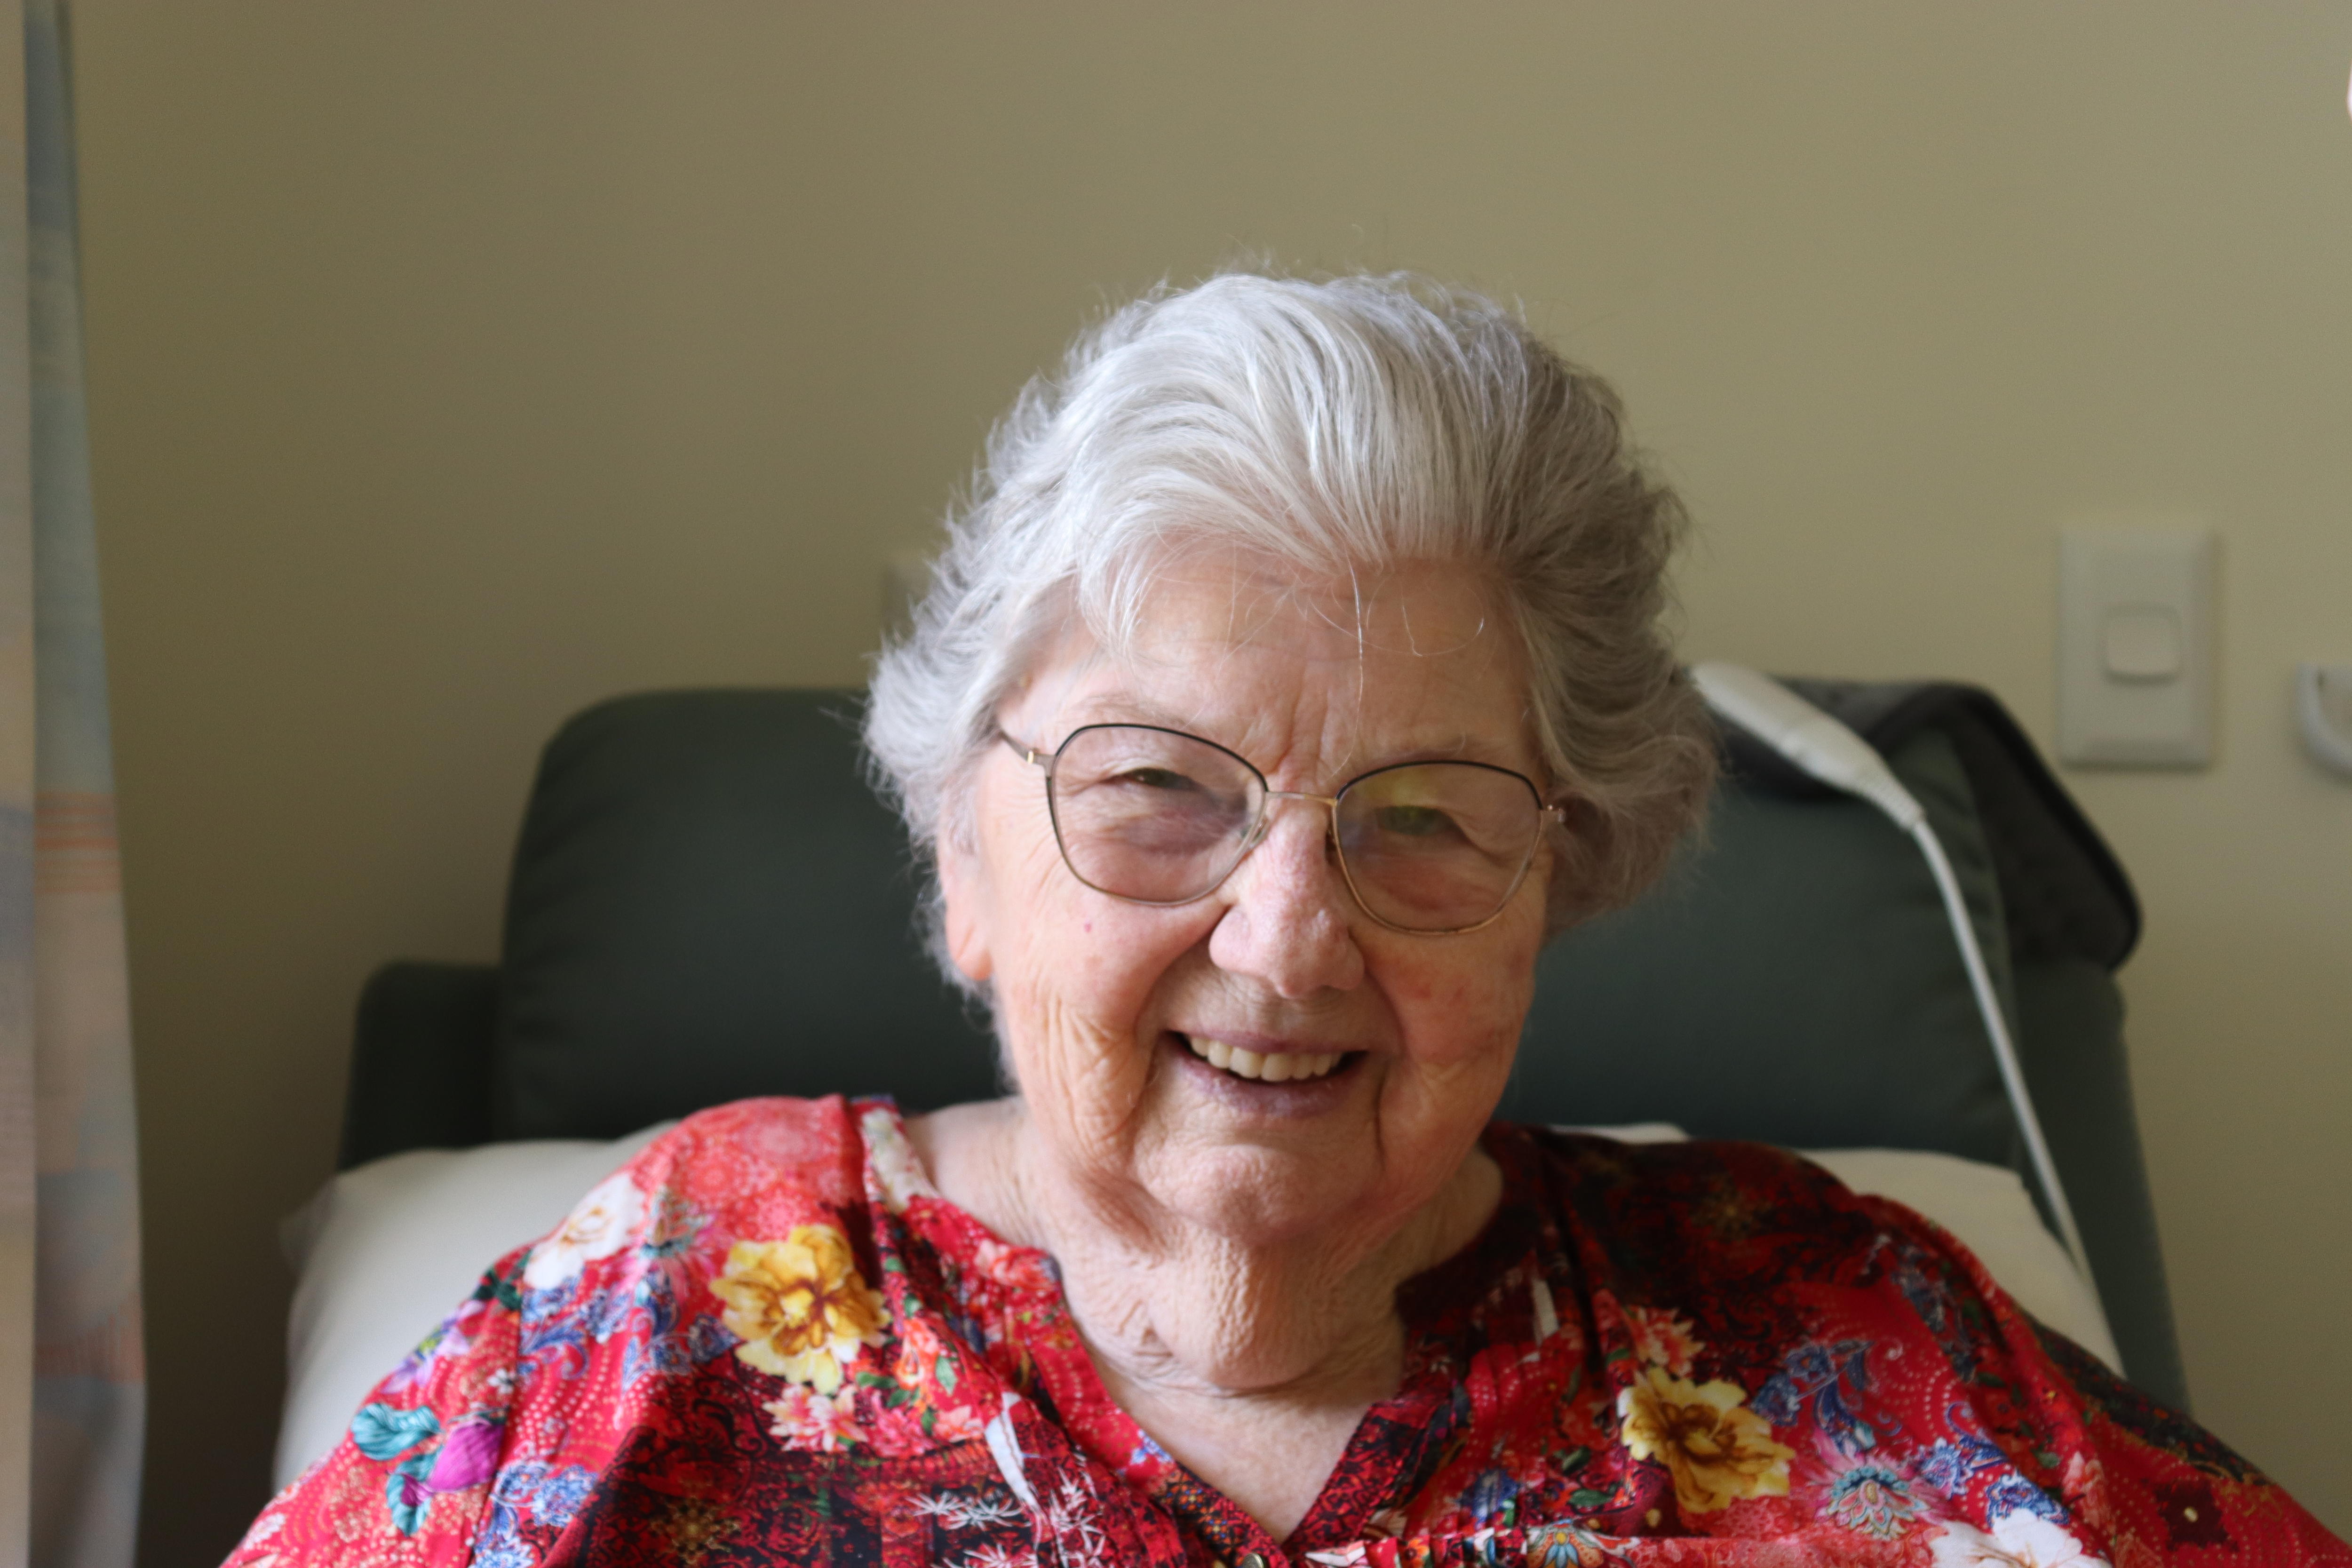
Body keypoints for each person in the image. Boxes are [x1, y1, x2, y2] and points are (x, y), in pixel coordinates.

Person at [226, 272, 2346, 1566]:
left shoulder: (1846, 1337)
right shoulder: (663, 1314)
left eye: (1419, 820)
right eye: (1157, 790)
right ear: (959, 860)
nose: (1284, 932)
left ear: (1555, 888)